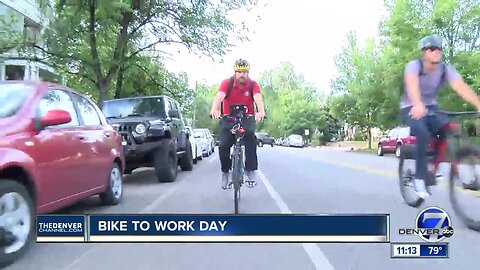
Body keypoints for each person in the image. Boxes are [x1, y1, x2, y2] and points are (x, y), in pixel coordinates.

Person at [401, 35, 480, 199]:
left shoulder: (445, 69)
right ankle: (419, 178)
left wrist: (478, 105)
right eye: (431, 49)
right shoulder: (414, 66)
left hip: (431, 107)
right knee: (423, 133)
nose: (436, 52)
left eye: (438, 49)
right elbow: (412, 84)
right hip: (411, 107)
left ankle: (432, 168)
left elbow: (461, 87)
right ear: (424, 52)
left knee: (450, 128)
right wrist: (417, 103)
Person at [210, 59, 266, 189]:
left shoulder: (253, 85)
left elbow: (258, 98)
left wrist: (260, 111)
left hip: (247, 118)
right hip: (228, 118)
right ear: (235, 72)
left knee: (251, 138)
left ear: (248, 72)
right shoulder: (227, 83)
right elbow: (219, 97)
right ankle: (225, 172)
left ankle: (250, 171)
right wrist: (215, 109)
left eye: (244, 72)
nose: (242, 75)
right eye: (239, 72)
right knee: (223, 145)